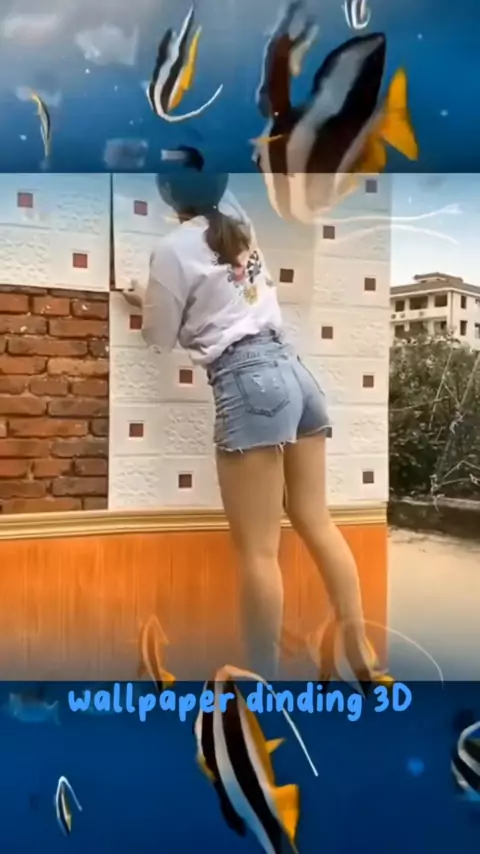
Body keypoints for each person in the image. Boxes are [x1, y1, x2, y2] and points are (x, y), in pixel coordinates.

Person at [123, 171, 391, 686]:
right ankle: (362, 658)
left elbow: (159, 336)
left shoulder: (172, 250)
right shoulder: (234, 214)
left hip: (247, 381)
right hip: (296, 373)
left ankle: (260, 683)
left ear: (165, 191)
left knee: (259, 551)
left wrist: (145, 298)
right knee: (317, 520)